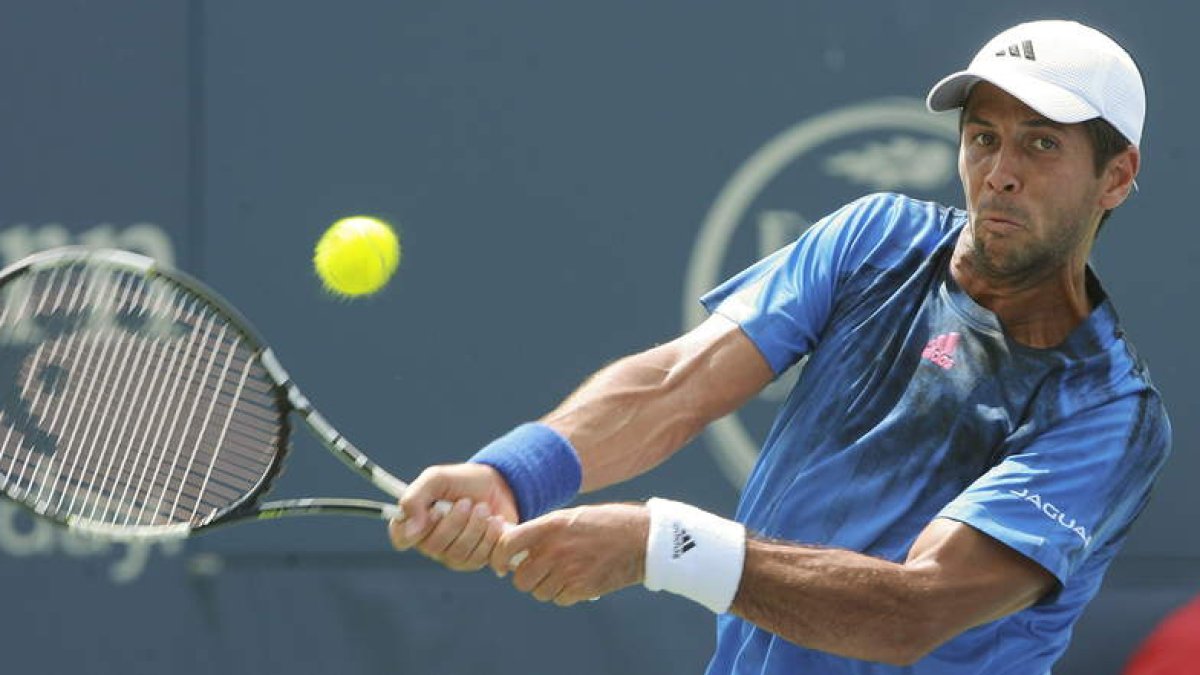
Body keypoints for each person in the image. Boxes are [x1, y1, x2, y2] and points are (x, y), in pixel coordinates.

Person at [389, 19, 1171, 673]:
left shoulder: (1107, 412)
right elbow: (675, 384)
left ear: (1115, 175)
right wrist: (513, 473)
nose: (999, 173)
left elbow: (916, 608)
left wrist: (661, 544)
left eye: (1040, 146)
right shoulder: (876, 238)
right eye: (982, 137)